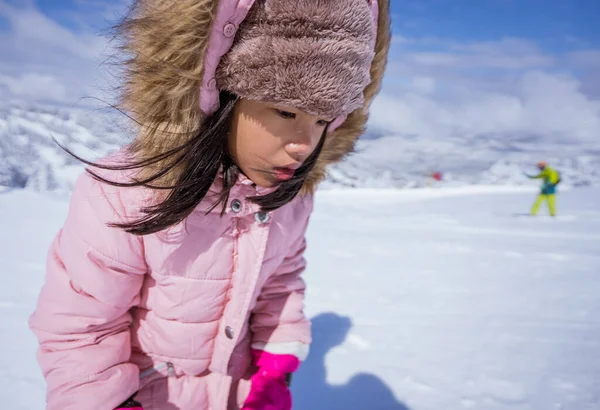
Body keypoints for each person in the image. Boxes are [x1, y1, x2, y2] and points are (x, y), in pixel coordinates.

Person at [28, 1, 391, 410]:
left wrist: (274, 367)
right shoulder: (126, 193)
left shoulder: (288, 199)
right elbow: (81, 327)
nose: (303, 144)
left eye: (323, 121)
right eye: (287, 111)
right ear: (220, 92)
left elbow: (280, 283)